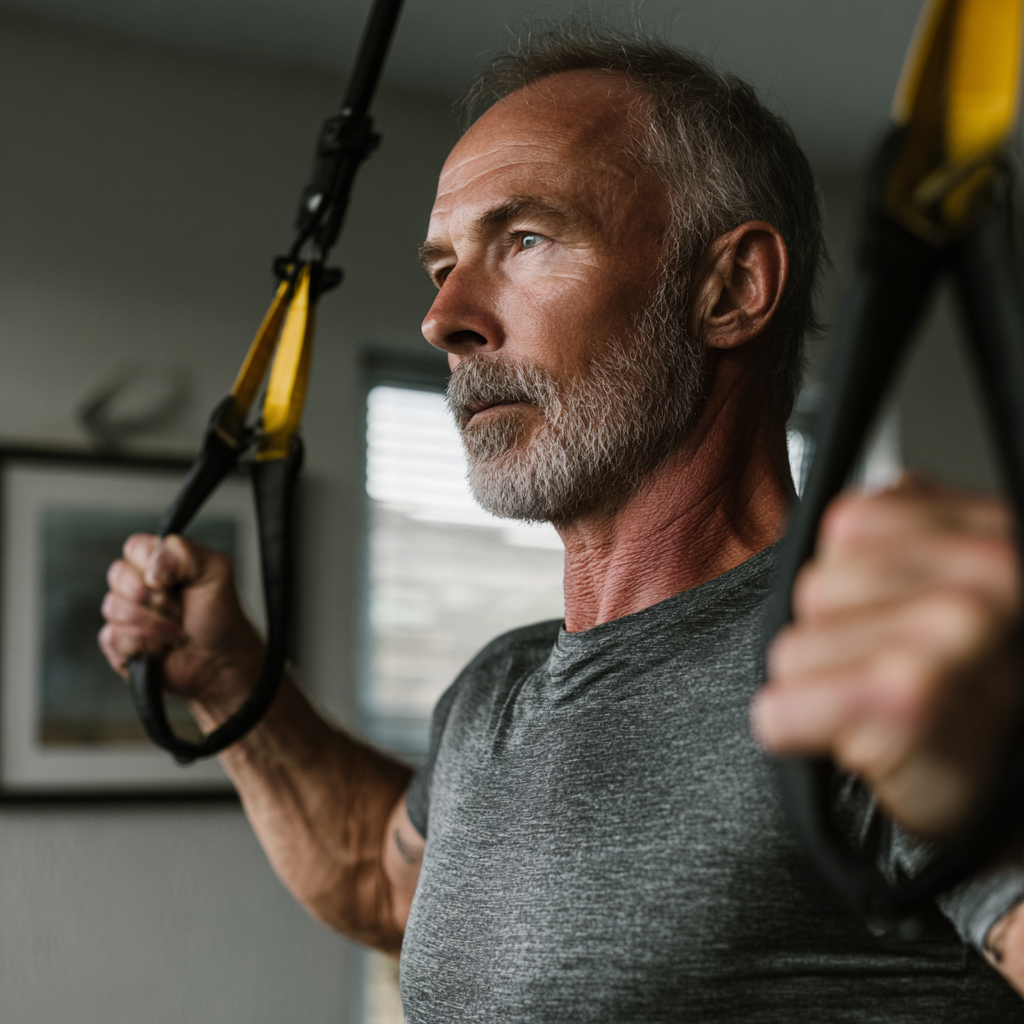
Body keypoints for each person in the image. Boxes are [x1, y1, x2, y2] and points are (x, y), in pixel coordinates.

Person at [99, 25, 1024, 1021]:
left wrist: (987, 791)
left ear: (731, 288)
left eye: (525, 239)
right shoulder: (498, 688)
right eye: (440, 264)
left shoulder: (868, 659)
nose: (443, 317)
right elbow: (383, 884)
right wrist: (233, 680)